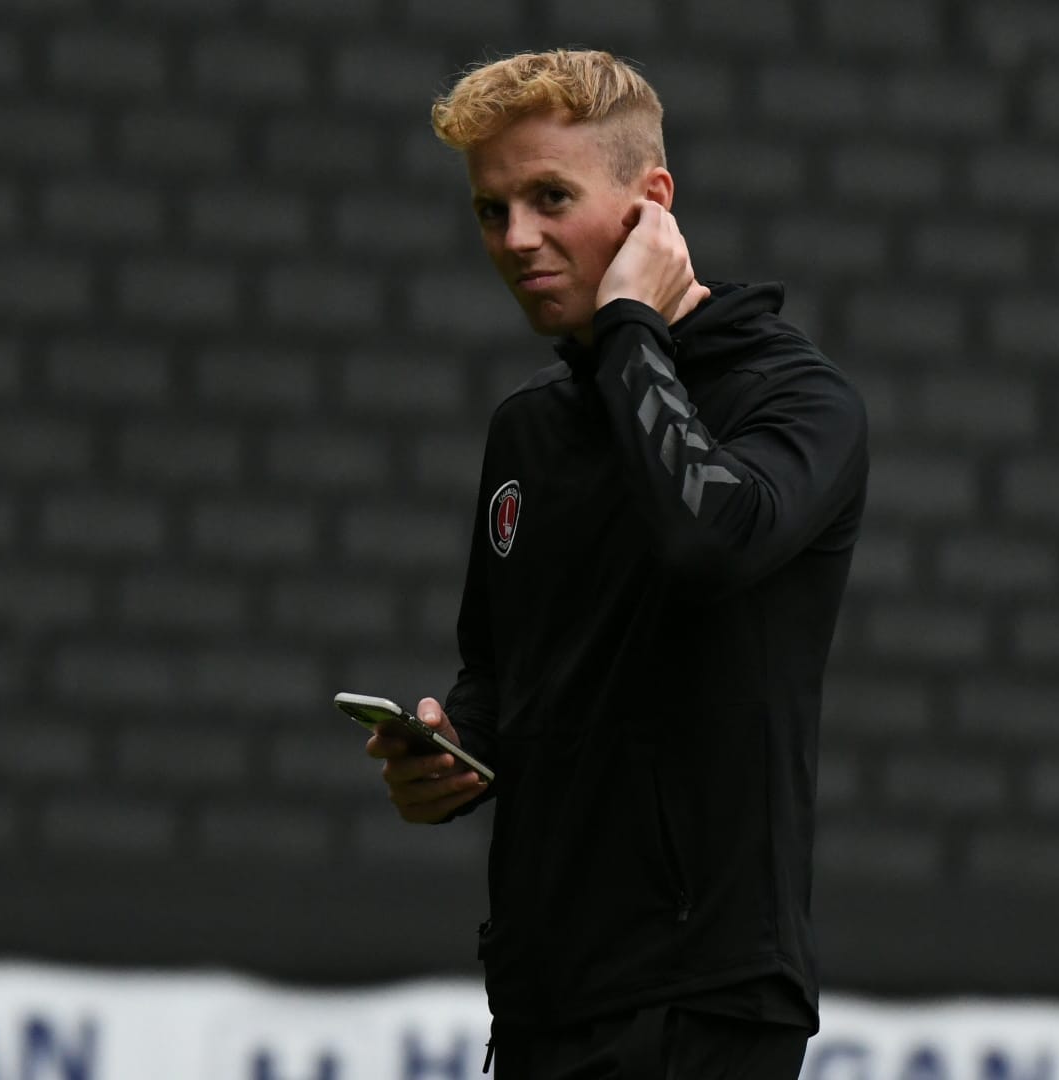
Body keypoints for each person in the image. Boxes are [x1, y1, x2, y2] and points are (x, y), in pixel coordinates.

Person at [364, 48, 869, 1079]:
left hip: (703, 997)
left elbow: (708, 539)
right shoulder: (528, 430)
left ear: (652, 208)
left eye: (550, 197)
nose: (517, 238)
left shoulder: (797, 398)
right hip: (543, 994)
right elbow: (502, 671)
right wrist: (453, 752)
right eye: (492, 209)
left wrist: (631, 325)